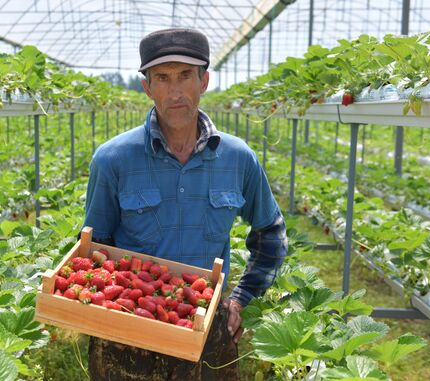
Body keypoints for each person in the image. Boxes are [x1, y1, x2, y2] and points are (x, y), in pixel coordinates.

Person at [82, 28, 287, 380]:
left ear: (204, 81)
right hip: (128, 329)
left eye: (185, 76)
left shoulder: (238, 158)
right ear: (147, 87)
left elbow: (272, 234)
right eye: (162, 78)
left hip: (206, 327)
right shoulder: (113, 159)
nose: (175, 91)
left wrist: (239, 299)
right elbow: (94, 246)